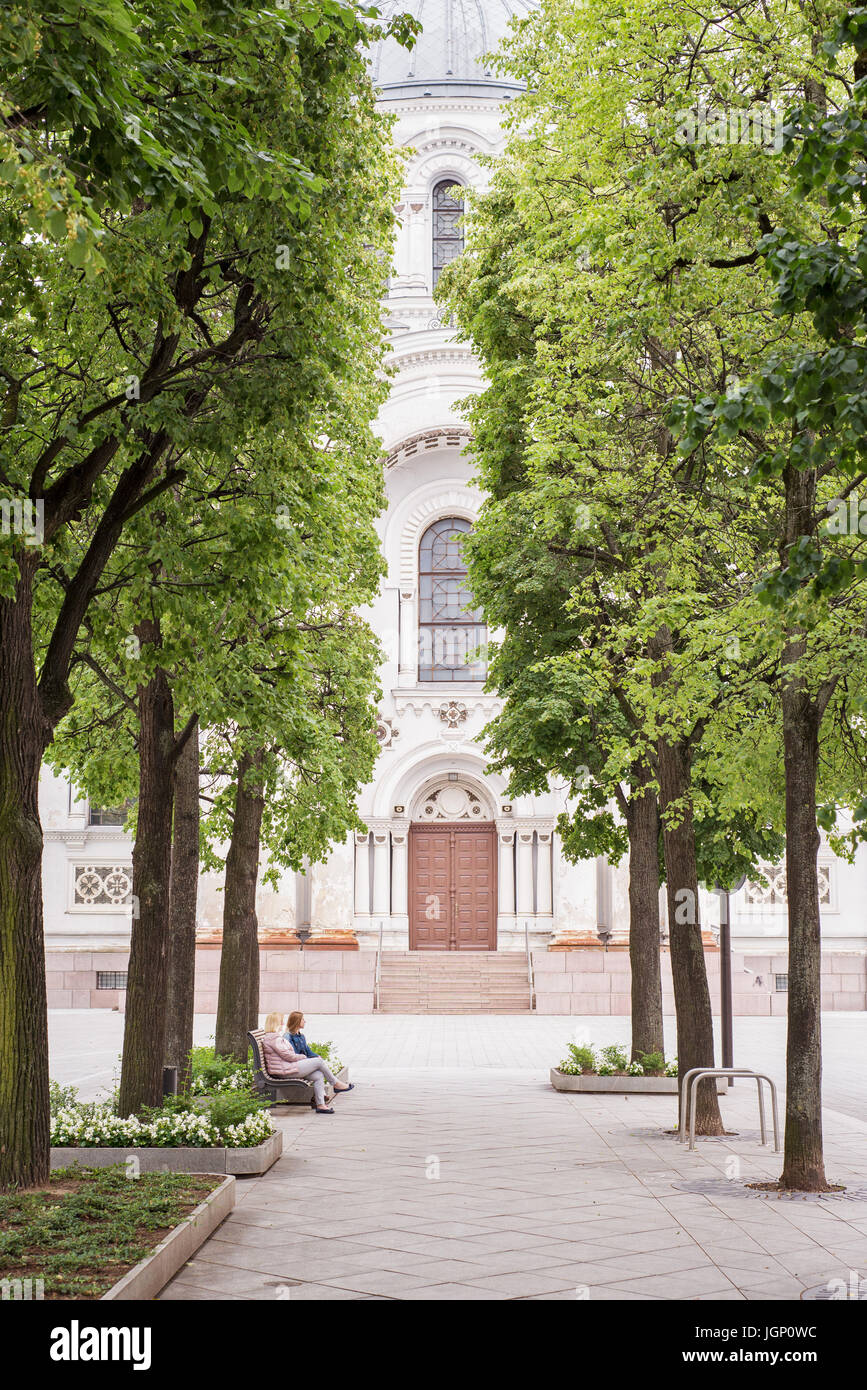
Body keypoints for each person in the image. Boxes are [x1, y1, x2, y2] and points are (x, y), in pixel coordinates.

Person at [260, 1011, 353, 1114]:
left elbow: (288, 1055)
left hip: (287, 1068)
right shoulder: (274, 1039)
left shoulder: (274, 1038)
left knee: (318, 1075)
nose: (283, 1024)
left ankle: (321, 1105)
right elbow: (289, 1056)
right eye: (281, 1022)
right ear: (275, 1023)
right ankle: (335, 1083)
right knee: (318, 1062)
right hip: (285, 1071)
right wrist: (304, 1057)